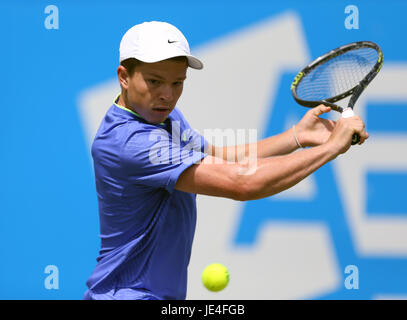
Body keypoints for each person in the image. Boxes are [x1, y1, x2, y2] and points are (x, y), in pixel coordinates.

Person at [83, 21, 369, 300]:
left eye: (177, 83)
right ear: (124, 76)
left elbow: (223, 159)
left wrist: (297, 136)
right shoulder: (131, 142)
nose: (167, 96)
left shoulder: (164, 119)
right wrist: (331, 148)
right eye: (154, 81)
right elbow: (242, 182)